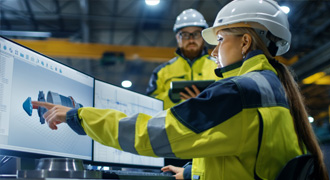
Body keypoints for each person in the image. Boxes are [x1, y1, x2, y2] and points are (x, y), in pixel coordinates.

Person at [31, 0, 329, 179]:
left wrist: (79, 116)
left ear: (245, 42)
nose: (214, 52)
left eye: (220, 40)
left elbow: (153, 133)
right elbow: (244, 156)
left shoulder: (238, 92)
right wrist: (190, 172)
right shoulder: (275, 87)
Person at [146, 9, 220, 110]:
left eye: (196, 34)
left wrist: (207, 100)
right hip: (173, 125)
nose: (191, 39)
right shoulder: (161, 72)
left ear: (203, 36)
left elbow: (230, 100)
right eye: (185, 35)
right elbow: (148, 106)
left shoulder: (219, 67)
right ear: (177, 38)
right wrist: (170, 97)